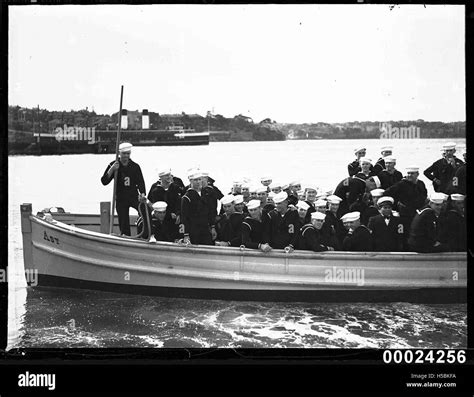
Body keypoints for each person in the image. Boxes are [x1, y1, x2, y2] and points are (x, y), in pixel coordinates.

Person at [100, 142, 146, 236]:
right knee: (123, 220)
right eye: (124, 153)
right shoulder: (113, 165)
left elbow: (141, 182)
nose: (126, 156)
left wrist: (142, 194)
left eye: (128, 154)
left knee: (145, 210)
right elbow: (104, 181)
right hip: (121, 198)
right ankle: (126, 236)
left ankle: (145, 233)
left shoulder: (135, 166)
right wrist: (112, 170)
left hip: (133, 196)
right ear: (119, 153)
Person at [384, 166, 427, 248]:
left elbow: (424, 195)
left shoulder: (420, 184)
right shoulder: (401, 184)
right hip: (405, 213)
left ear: (417, 174)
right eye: (408, 173)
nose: (410, 175)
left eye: (412, 173)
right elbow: (387, 193)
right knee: (406, 232)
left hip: (417, 213)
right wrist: (396, 205)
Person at [180, 168, 216, 245]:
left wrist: (213, 227)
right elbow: (184, 218)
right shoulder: (186, 198)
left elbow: (211, 212)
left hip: (206, 229)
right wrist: (185, 235)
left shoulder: (206, 193)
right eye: (195, 180)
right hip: (193, 230)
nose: (198, 182)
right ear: (190, 181)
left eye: (199, 179)